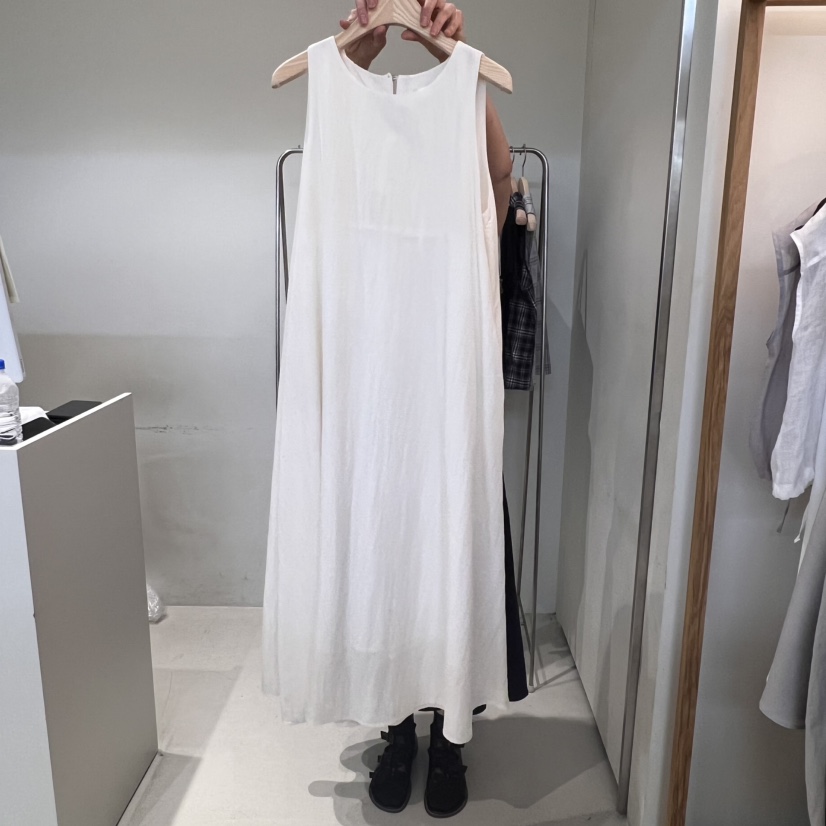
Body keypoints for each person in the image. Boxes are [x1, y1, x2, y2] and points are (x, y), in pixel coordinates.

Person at [337, 0, 515, 818]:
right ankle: (395, 728)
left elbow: (499, 179)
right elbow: (335, 152)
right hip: (377, 422)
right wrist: (352, 64)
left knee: (451, 572)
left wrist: (459, 68)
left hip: (450, 419)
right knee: (384, 572)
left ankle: (448, 735)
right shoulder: (351, 192)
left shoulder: (467, 199)